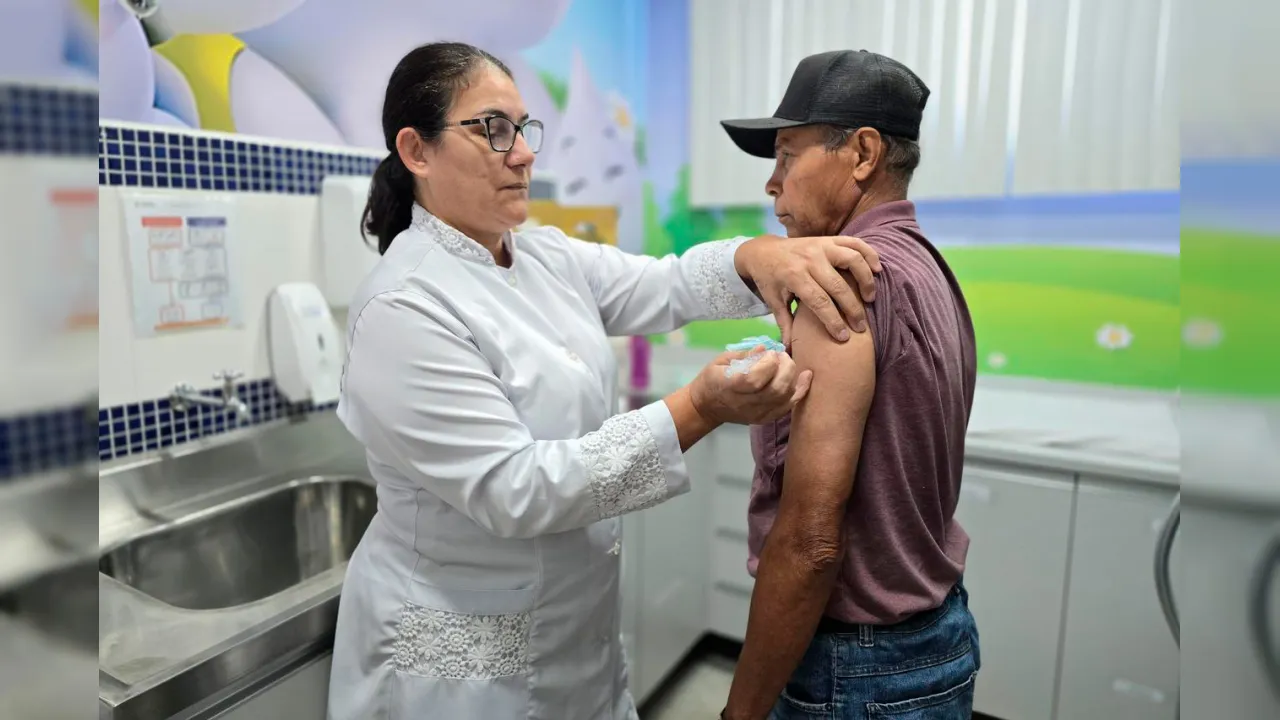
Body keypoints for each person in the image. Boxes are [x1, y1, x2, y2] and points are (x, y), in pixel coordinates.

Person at [328, 42, 886, 720]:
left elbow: (666, 284)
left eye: (523, 128)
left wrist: (759, 255)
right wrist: (700, 407)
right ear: (417, 150)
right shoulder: (404, 305)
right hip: (461, 671)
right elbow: (517, 492)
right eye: (493, 129)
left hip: (576, 641)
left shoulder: (542, 256)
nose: (524, 154)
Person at [716, 50, 980, 720]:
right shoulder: (929, 268)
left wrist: (739, 711)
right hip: (938, 642)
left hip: (856, 673)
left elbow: (811, 544)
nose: (772, 184)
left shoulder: (840, 286)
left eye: (786, 156)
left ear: (862, 153)